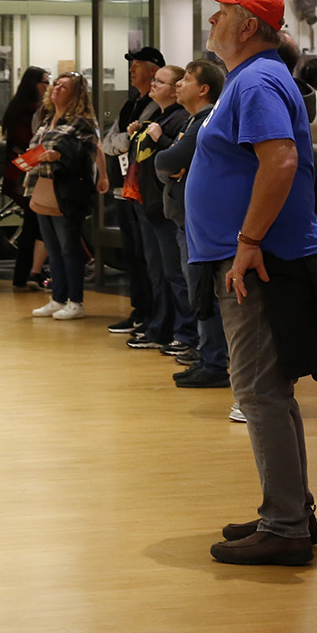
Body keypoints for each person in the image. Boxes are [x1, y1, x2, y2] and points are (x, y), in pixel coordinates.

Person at [188, 0, 317, 566]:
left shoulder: (256, 80)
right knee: (269, 390)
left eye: (218, 14)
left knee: (259, 390)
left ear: (246, 25)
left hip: (262, 259)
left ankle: (285, 526)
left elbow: (279, 159)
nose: (210, 24)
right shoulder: (254, 79)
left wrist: (248, 241)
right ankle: (289, 509)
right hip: (257, 255)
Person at [157, 58, 230, 389]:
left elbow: (166, 159)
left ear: (203, 89)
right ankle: (207, 357)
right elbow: (168, 162)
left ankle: (215, 363)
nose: (178, 84)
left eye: (185, 79)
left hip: (197, 223)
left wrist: (170, 156)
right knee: (196, 290)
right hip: (186, 219)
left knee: (203, 293)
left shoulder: (203, 122)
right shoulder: (192, 121)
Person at [128, 65, 196, 357]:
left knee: (175, 274)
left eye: (160, 81)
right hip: (148, 201)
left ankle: (185, 332)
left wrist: (159, 138)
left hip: (165, 205)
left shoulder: (182, 119)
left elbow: (178, 162)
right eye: (154, 80)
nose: (153, 85)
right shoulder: (157, 115)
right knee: (158, 272)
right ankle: (161, 327)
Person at [24, 72, 100, 321]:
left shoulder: (81, 122)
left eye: (64, 86)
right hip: (43, 188)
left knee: (69, 248)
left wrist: (60, 156)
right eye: (56, 84)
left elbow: (86, 154)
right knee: (53, 249)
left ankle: (75, 300)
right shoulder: (47, 120)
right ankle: (58, 297)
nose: (56, 88)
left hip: (66, 191)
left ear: (76, 94)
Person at [103, 47, 164, 335]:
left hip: (145, 192)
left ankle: (154, 316)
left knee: (148, 255)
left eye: (138, 65)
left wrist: (124, 140)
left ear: (154, 71)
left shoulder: (157, 106)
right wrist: (125, 138)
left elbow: (130, 143)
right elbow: (109, 143)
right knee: (133, 255)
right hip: (123, 190)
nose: (132, 70)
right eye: (131, 66)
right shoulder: (130, 105)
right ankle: (139, 310)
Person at [0, 67, 50, 289]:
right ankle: (30, 274)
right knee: (37, 224)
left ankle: (26, 275)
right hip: (28, 176)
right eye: (45, 82)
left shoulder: (18, 107)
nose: (47, 87)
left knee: (33, 224)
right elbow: (30, 143)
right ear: (34, 84)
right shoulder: (31, 111)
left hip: (19, 174)